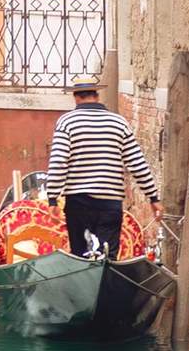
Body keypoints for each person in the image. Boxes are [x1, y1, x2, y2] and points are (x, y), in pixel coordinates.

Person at [45, 78, 164, 258]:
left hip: (79, 203)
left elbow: (59, 162)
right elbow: (137, 163)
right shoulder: (119, 123)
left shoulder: (67, 122)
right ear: (97, 95)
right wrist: (153, 197)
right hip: (110, 203)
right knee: (107, 255)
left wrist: (53, 198)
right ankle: (104, 284)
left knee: (81, 254)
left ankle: (86, 284)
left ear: (75, 97)